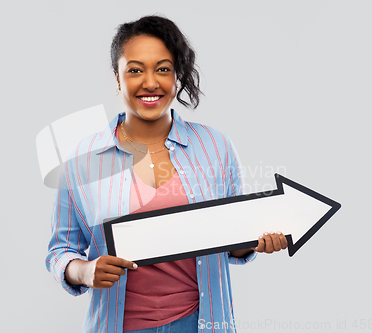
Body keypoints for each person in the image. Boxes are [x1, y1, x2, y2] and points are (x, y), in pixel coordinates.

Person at [45, 15, 288, 333]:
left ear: (178, 77)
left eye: (163, 69)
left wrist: (254, 243)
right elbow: (59, 250)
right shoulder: (81, 160)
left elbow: (232, 239)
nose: (150, 82)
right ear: (117, 78)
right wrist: (84, 271)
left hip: (202, 324)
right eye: (135, 70)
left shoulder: (215, 146)